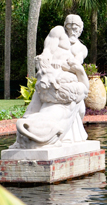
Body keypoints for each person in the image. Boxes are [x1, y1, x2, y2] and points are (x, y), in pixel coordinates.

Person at [11, 14, 90, 149]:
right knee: (37, 104)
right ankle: (25, 135)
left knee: (80, 109)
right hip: (50, 73)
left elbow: (77, 62)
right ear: (65, 26)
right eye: (70, 26)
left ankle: (66, 136)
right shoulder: (58, 31)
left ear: (81, 29)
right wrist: (45, 58)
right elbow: (47, 50)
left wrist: (72, 66)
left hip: (68, 79)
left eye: (76, 27)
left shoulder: (81, 48)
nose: (72, 29)